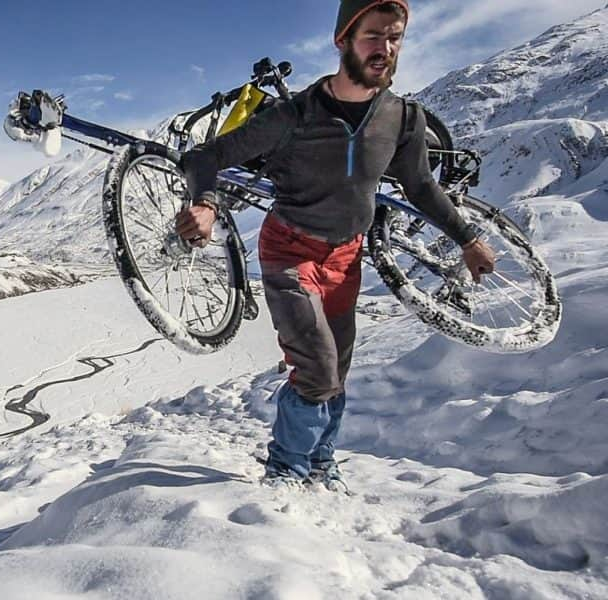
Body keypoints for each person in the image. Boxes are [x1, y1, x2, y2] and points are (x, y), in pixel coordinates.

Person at [176, 0, 496, 491]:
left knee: (337, 372)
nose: (385, 49)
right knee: (319, 369)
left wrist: (467, 239)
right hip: (288, 251)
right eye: (373, 36)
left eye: (395, 38)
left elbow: (420, 187)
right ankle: (286, 468)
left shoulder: (403, 119)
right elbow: (208, 155)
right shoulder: (294, 114)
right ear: (343, 40)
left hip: (347, 257)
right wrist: (206, 203)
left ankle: (321, 464)